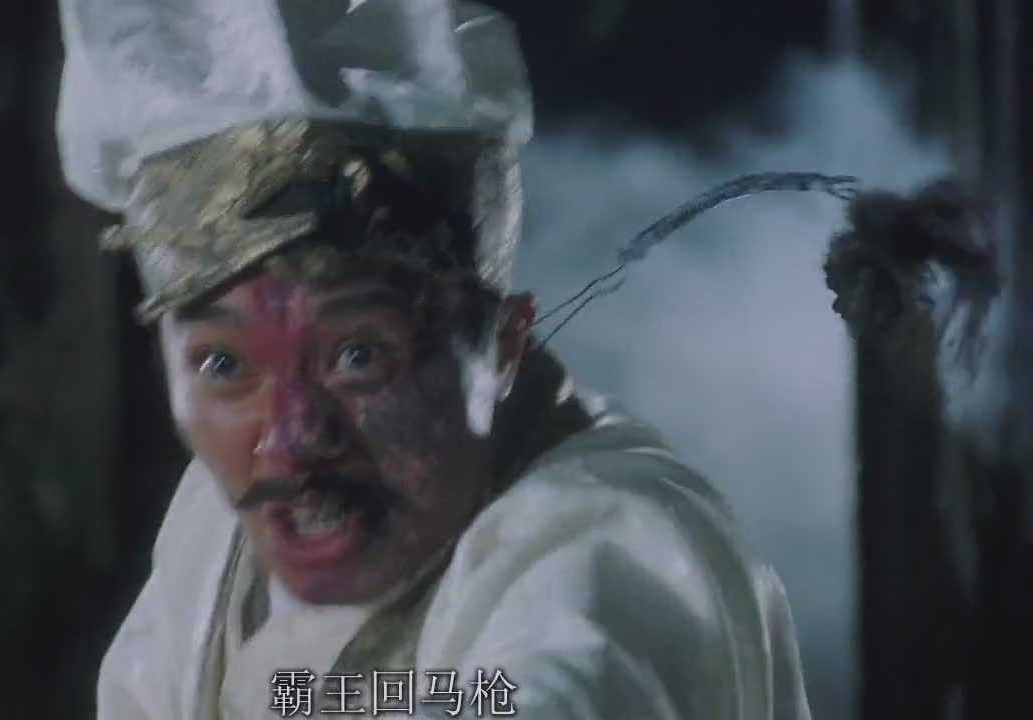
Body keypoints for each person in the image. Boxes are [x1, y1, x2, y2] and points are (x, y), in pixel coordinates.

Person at [56, 1, 813, 718]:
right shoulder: (217, 526)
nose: (288, 440)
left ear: (502, 346)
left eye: (357, 355)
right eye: (225, 365)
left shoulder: (610, 548)